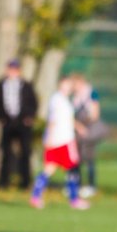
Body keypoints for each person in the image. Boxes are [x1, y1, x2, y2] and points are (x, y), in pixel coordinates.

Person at [30, 75, 89, 210]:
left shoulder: (63, 100)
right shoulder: (58, 100)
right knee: (73, 169)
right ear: (61, 85)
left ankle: (36, 196)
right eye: (66, 85)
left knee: (49, 169)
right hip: (62, 140)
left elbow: (66, 119)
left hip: (59, 139)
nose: (69, 88)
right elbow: (53, 121)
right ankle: (74, 199)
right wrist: (49, 137)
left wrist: (79, 127)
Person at [0, 58, 39, 189]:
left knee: (25, 152)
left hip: (23, 123)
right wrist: (0, 118)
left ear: (19, 71)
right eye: (10, 69)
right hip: (7, 123)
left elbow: (34, 103)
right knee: (6, 153)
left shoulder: (26, 85)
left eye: (15, 69)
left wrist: (29, 117)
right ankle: (3, 182)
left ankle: (25, 182)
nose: (12, 72)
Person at [71, 73, 107, 197]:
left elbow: (94, 114)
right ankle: (77, 184)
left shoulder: (91, 93)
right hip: (79, 131)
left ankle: (91, 185)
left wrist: (83, 125)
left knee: (89, 157)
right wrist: (77, 126)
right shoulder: (74, 97)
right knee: (76, 158)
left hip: (90, 130)